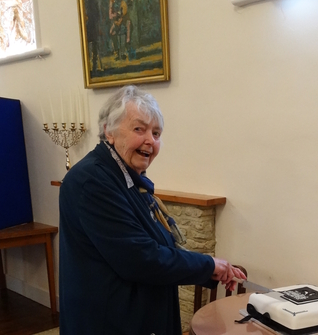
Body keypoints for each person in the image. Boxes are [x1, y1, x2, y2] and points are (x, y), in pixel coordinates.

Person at [59, 85, 246, 335]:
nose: (150, 140)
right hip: (110, 323)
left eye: (156, 133)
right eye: (139, 129)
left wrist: (208, 272)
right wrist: (208, 265)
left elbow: (160, 246)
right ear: (109, 132)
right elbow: (140, 258)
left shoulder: (127, 178)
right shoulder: (92, 180)